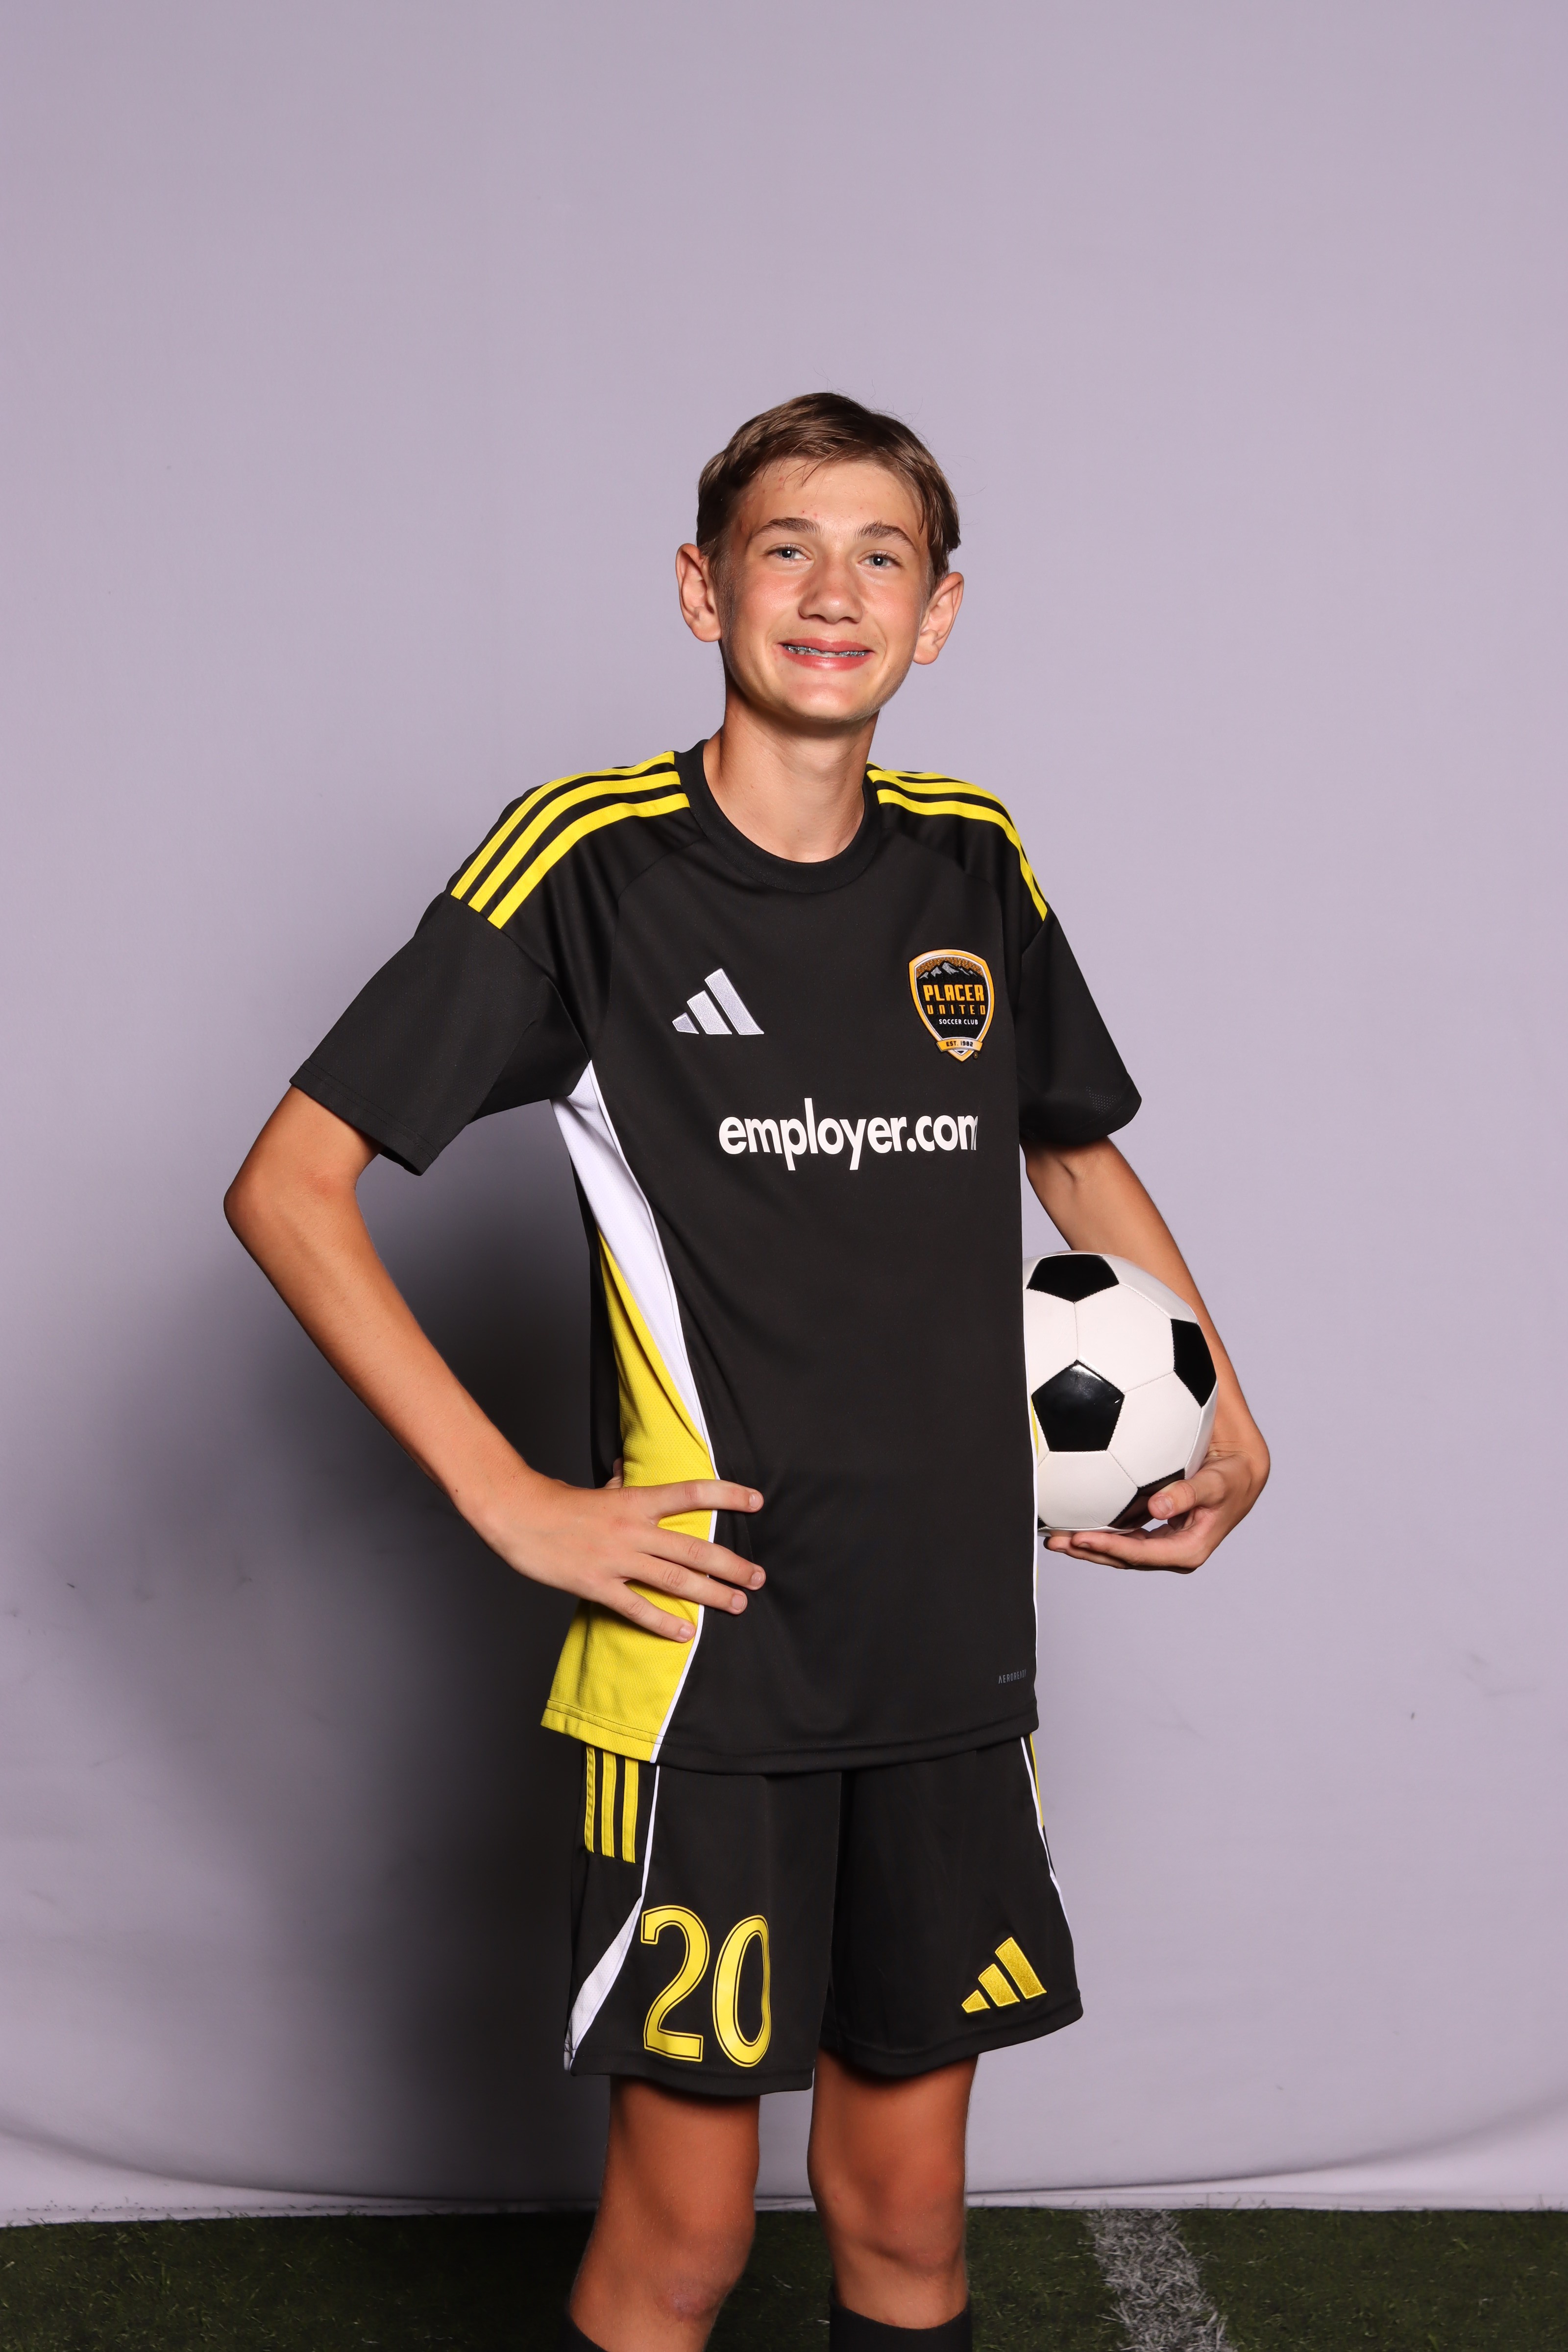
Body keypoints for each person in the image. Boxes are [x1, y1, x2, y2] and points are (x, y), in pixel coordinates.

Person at [225, 392, 1269, 2351]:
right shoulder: (589, 863)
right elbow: (289, 1187)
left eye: (881, 557)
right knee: (687, 2242)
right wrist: (510, 1500)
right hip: (713, 1667)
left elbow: (1069, 1153)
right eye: (786, 548)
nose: (832, 591)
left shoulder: (971, 859)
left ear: (938, 614)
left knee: (908, 2222)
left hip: (947, 1656)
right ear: (703, 589)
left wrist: (1221, 1406)